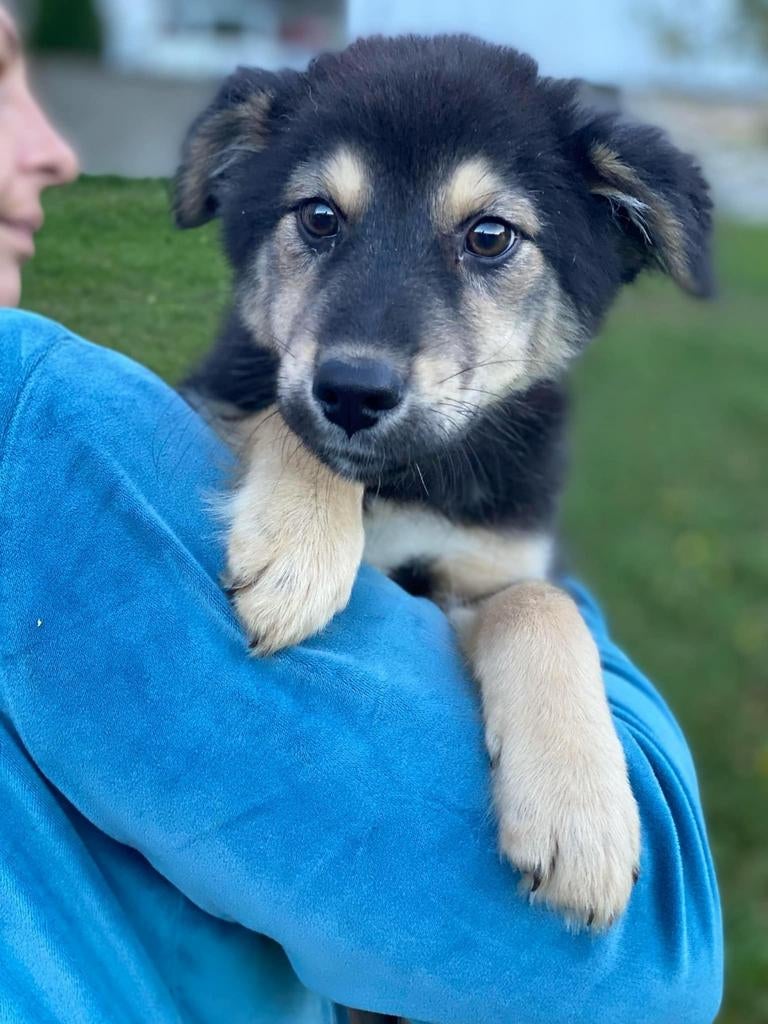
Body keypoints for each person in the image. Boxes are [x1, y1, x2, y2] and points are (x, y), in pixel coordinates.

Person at [0, 6, 723, 1023]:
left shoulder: (504, 488)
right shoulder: (35, 419)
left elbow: (499, 590)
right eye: (322, 224)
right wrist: (301, 459)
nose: (366, 345)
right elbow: (642, 970)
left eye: (487, 239)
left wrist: (538, 626)